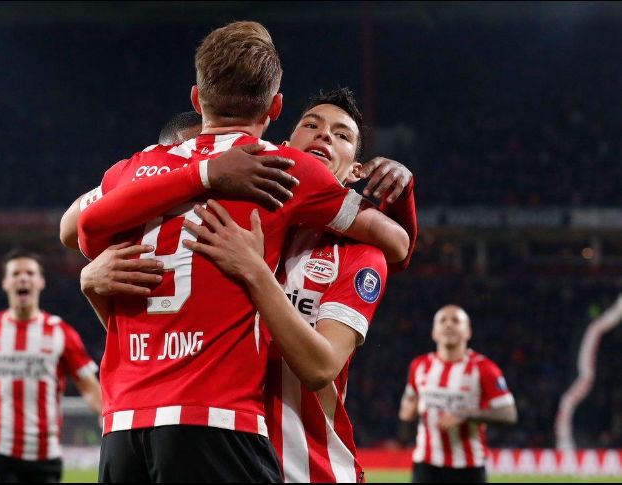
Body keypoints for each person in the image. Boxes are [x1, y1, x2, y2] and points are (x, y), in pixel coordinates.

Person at [73, 21, 410, 483]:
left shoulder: (354, 255)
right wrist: (92, 284)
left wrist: (399, 189)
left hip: (295, 464)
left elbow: (79, 226)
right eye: (311, 125)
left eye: (342, 135)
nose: (324, 137)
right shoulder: (281, 174)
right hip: (220, 426)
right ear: (277, 118)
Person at [0, 250, 102, 483]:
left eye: (30, 273)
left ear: (41, 282)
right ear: (5, 282)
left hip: (43, 451)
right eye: (15, 273)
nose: (23, 278)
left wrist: (107, 415)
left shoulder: (61, 332)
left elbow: (88, 386)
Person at [399, 305, 518, 483]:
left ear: (468, 332)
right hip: (426, 466)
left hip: (468, 469)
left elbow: (509, 414)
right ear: (434, 332)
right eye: (442, 320)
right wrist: (407, 412)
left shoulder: (484, 369)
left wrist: (465, 414)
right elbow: (409, 406)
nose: (449, 325)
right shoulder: (419, 366)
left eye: (456, 321)